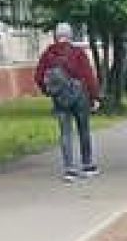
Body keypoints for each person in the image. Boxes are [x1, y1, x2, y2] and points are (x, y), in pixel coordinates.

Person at [34, 23, 102, 181]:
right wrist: (95, 97)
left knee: (65, 133)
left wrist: (49, 91)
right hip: (80, 97)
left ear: (56, 36)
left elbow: (38, 76)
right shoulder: (78, 52)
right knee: (84, 131)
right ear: (70, 35)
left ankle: (69, 170)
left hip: (60, 99)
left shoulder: (48, 54)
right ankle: (88, 166)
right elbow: (88, 75)